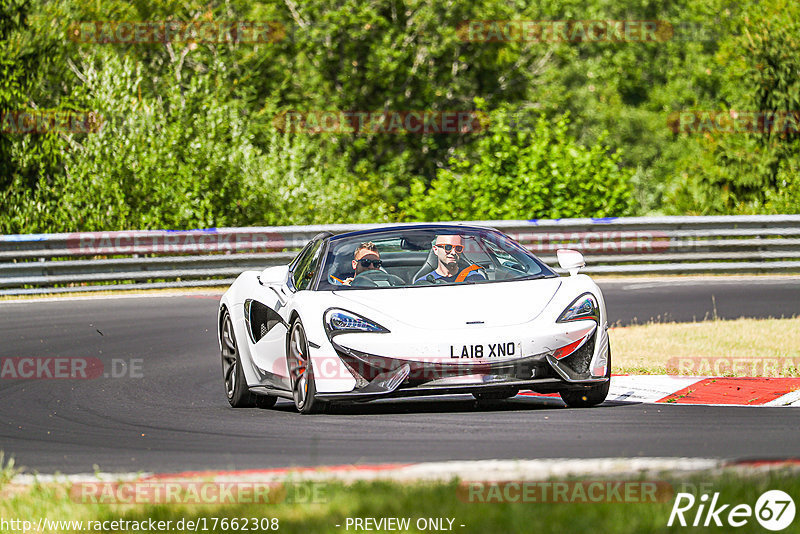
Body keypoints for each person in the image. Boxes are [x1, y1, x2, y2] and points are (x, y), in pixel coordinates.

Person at [416, 234, 485, 284]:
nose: (453, 252)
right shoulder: (423, 283)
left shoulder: (475, 278)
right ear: (436, 250)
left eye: (458, 248)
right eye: (448, 247)